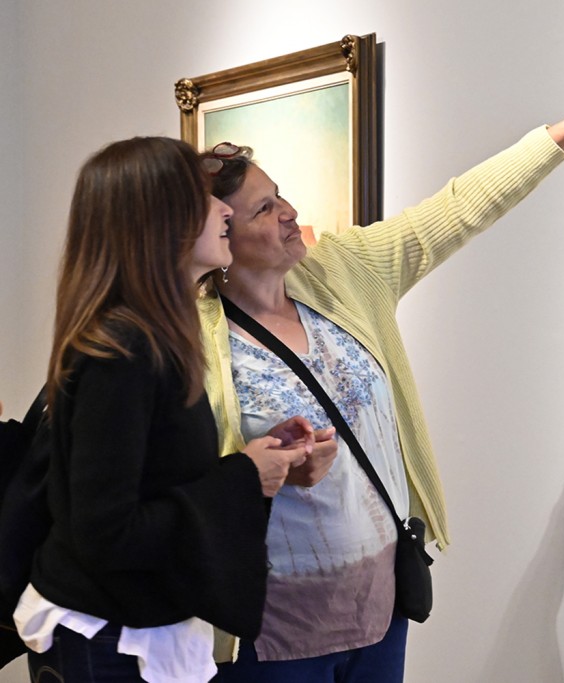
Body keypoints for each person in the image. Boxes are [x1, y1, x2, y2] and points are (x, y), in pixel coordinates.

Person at [200, 76, 564, 682]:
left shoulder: (342, 271)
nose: (290, 213)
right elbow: (174, 483)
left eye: (280, 195)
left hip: (380, 607)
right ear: (219, 236)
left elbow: (455, 211)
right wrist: (253, 466)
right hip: (270, 629)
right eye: (265, 209)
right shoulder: (193, 338)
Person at [13, 136, 335, 683]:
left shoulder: (155, 336)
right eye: (203, 197)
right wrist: (244, 477)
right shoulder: (124, 350)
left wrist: (257, 459)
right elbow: (105, 532)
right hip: (110, 638)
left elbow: (153, 483)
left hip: (130, 627)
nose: (223, 209)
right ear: (161, 221)